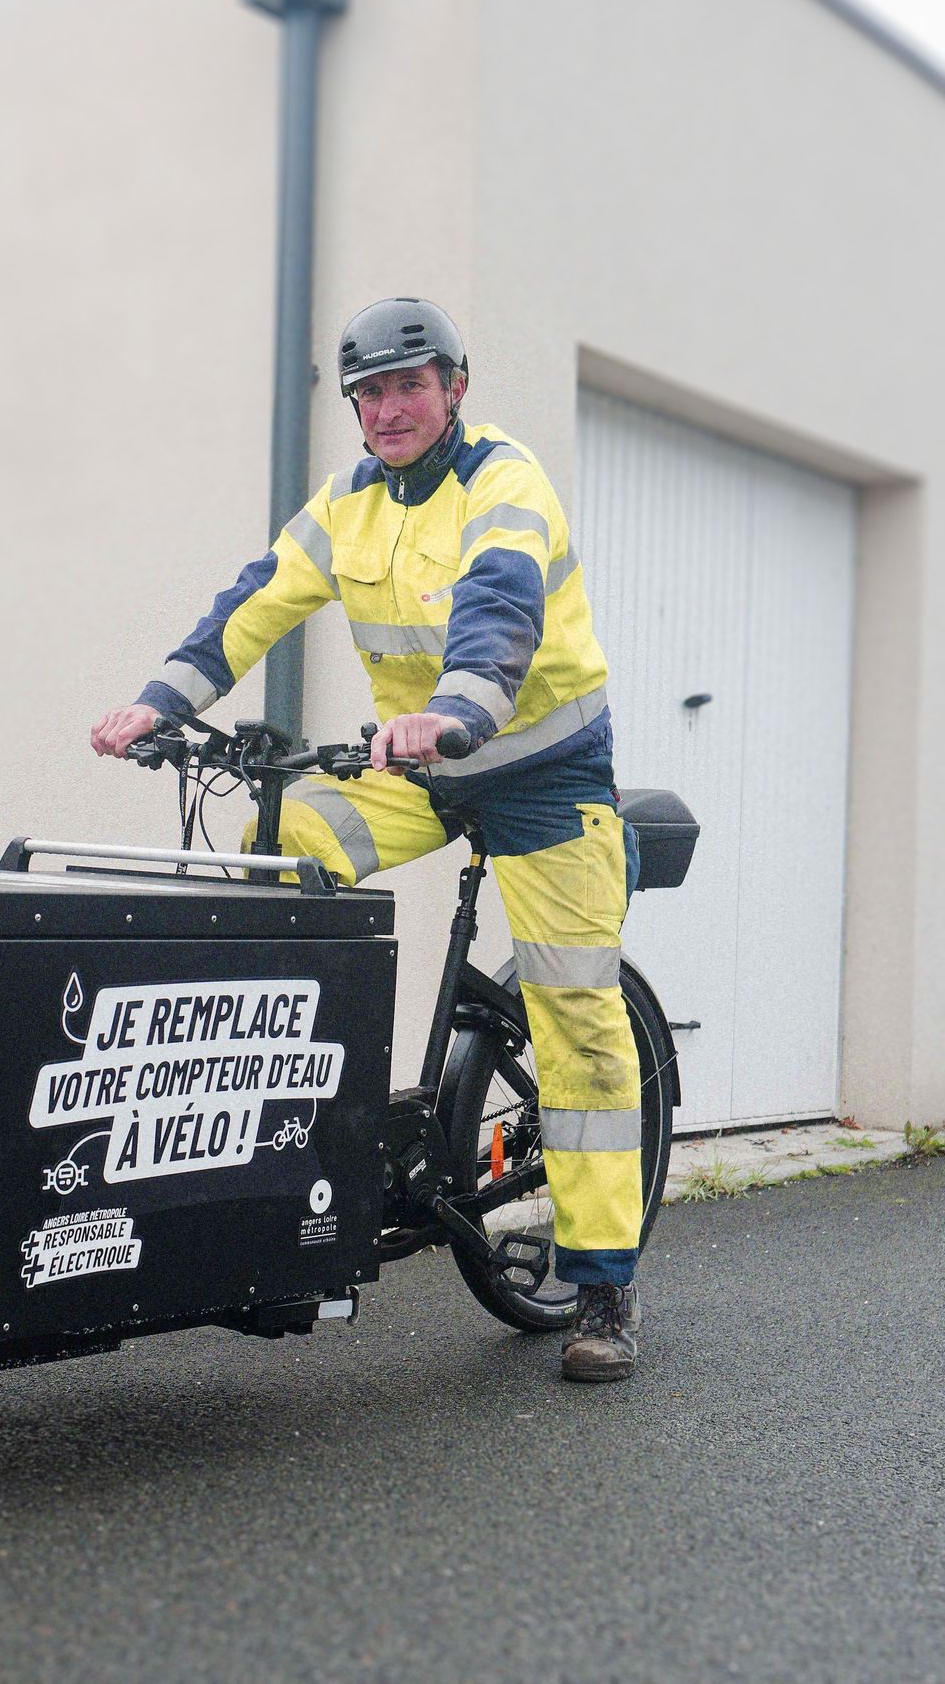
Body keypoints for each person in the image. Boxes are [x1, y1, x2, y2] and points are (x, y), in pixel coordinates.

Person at [91, 297, 644, 1382]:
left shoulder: (505, 483)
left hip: (538, 772)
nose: (388, 410)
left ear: (456, 386)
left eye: (409, 386)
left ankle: (605, 1285)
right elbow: (253, 603)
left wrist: (458, 711)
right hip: (420, 767)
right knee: (278, 840)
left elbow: (499, 608)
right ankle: (305, 1128)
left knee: (575, 1015)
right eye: (370, 394)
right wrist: (162, 701)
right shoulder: (347, 503)